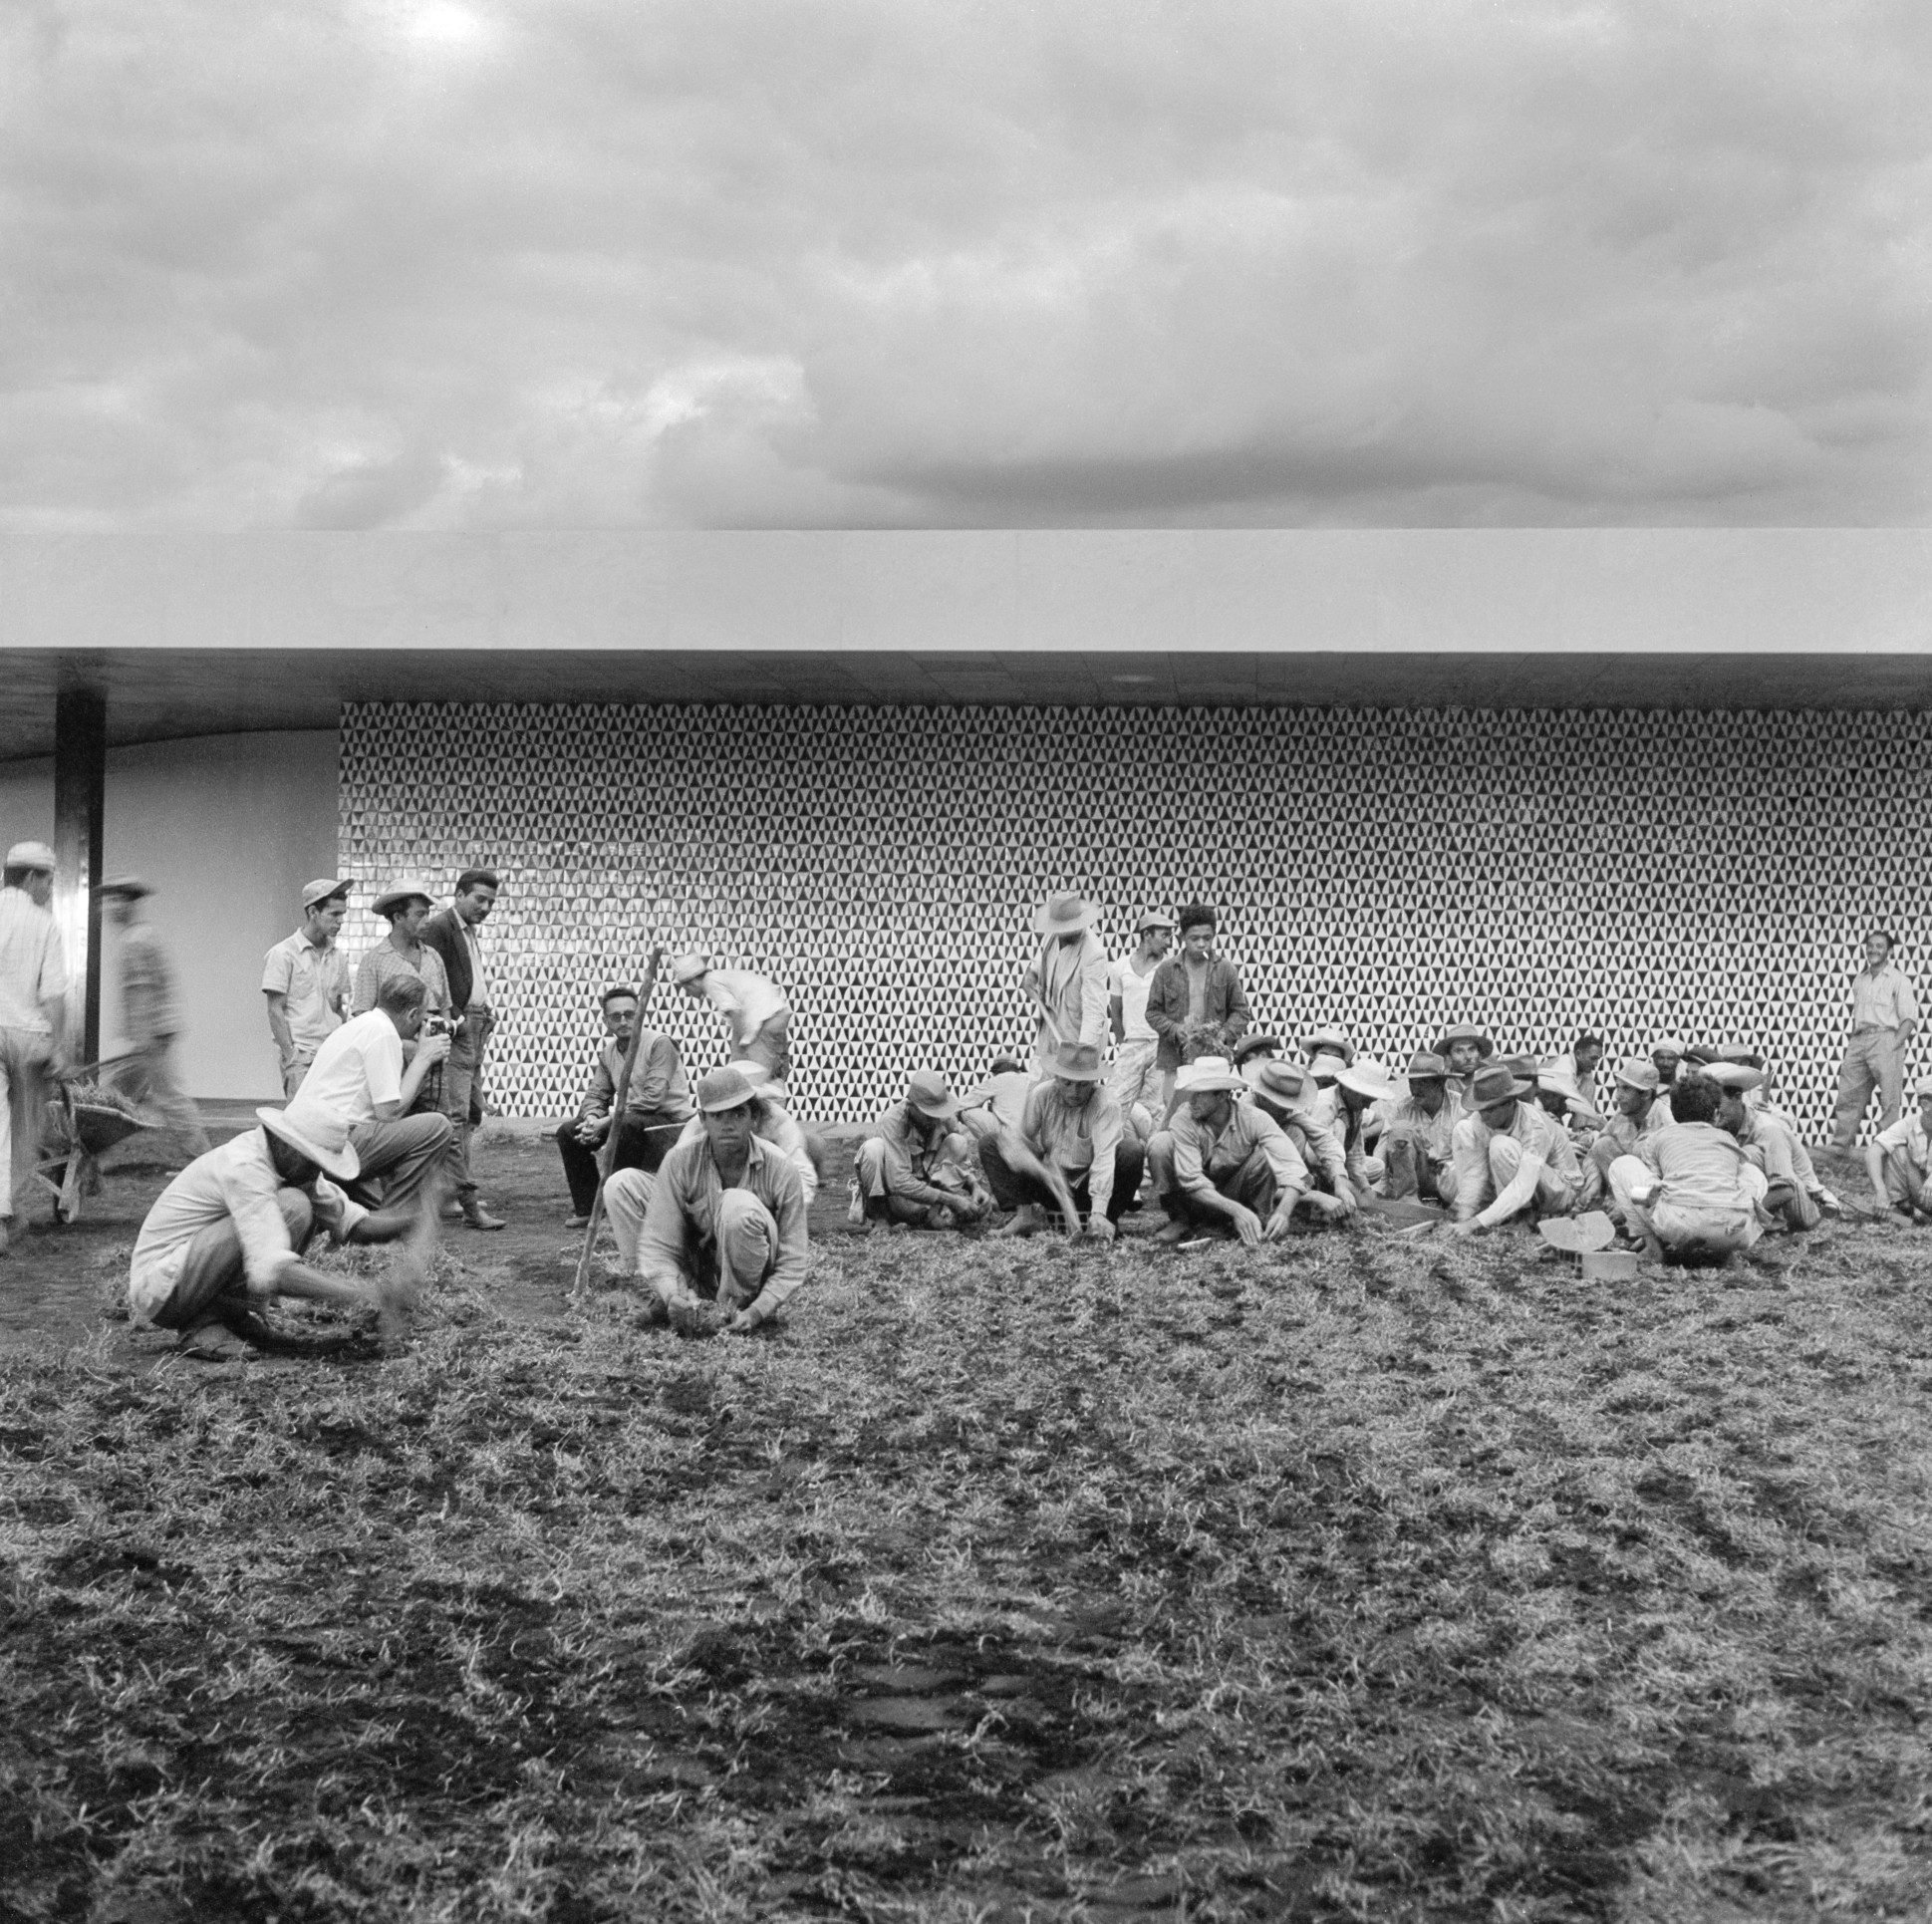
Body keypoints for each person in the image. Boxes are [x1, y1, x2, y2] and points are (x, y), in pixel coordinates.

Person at [126, 1103, 429, 1361]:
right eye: (313, 1162)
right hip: (162, 1286)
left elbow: (356, 1225)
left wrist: (418, 1216)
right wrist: (366, 1292)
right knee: (293, 1206)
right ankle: (202, 1323)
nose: (316, 1173)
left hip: (189, 1273)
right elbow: (272, 1270)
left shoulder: (294, 1167)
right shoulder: (244, 1166)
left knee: (298, 1203)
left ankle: (233, 1316)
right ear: (286, 1144)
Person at [616, 1065, 808, 1334]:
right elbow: (659, 1241)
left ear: (754, 1118)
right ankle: (673, 1302)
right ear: (703, 1120)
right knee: (621, 1185)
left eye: (738, 1113)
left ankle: (732, 1309)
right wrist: (672, 1293)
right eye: (718, 1116)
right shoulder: (681, 1160)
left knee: (737, 1205)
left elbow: (794, 1260)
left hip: (754, 1279)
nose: (728, 1125)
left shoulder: (780, 1167)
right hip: (700, 1271)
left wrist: (758, 1310)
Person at [284, 973, 453, 1212]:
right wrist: (424, 1058)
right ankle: (394, 1217)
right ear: (412, 1014)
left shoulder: (359, 1025)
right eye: (422, 1017)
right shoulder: (383, 1032)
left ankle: (377, 1217)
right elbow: (389, 1112)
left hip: (308, 1143)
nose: (422, 1026)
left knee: (370, 1211)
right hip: (335, 1143)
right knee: (438, 1126)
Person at [557, 983, 692, 1227]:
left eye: (630, 1014)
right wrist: (590, 1118)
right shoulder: (609, 1052)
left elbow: (653, 1098)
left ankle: (619, 1206)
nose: (623, 1021)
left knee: (625, 1125)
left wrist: (606, 1121)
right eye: (615, 1016)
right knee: (569, 1132)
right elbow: (596, 1094)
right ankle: (590, 1208)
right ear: (606, 1020)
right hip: (630, 1120)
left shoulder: (660, 1044)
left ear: (640, 1014)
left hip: (669, 1126)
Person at [979, 1040, 1141, 1242]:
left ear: (1093, 1081)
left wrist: (1098, 1209)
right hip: (1052, 1184)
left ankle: (1103, 1220)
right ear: (1056, 1078)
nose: (1074, 1092)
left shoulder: (1107, 1104)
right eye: (1067, 1083)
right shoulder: (1042, 1094)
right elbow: (1017, 1138)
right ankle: (1024, 1216)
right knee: (992, 1142)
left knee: (1131, 1151)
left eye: (1082, 1085)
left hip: (1088, 1186)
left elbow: (1104, 1159)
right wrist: (1034, 1165)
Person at [1145, 1056, 1317, 1244]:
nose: (1192, 1100)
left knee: (1268, 1153)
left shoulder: (1254, 1118)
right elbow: (1192, 1181)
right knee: (1160, 1143)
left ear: (1221, 1096)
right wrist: (1237, 1211)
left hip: (1236, 1193)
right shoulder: (1184, 1117)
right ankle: (1181, 1220)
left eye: (1200, 1094)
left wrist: (1283, 1212)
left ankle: (1254, 1217)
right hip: (1194, 1199)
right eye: (1192, 1093)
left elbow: (1294, 1168)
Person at [100, 877, 209, 1163]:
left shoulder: (135, 940)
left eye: (115, 900)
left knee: (168, 1097)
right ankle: (98, 1157)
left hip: (150, 1034)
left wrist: (142, 1039)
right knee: (117, 1095)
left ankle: (203, 1159)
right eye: (108, 900)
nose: (109, 907)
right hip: (151, 1032)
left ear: (129, 904)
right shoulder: (141, 935)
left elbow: (142, 991)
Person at [1605, 1073, 1769, 1262]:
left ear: (1673, 1112)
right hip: (1735, 1228)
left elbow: (1651, 1189)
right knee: (1753, 1172)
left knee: (1622, 1165)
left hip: (1677, 1224)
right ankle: (1726, 1253)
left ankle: (1652, 1247)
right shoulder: (1727, 1138)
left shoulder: (1659, 1138)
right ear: (1716, 1114)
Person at [420, 869, 504, 1231]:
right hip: (457, 1029)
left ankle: (454, 1192)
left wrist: (483, 1012)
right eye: (479, 899)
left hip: (475, 1025)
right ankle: (458, 1196)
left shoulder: (467, 931)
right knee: (454, 1115)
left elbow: (467, 980)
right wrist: (455, 1019)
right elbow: (433, 984)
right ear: (458, 894)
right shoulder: (439, 928)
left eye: (490, 902)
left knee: (470, 1113)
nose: (485, 907)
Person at [0, 841, 65, 1256]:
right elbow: (54, 994)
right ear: (29, 877)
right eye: (48, 881)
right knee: (26, 1133)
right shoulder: (43, 923)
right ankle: (4, 1212)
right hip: (26, 1036)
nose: (50, 890)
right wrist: (58, 1047)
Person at [1449, 1063, 1583, 1237]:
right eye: (1481, 1109)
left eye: (1489, 1109)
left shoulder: (1534, 1126)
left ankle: (1524, 1218)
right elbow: (1475, 1172)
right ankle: (1503, 1215)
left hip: (1562, 1190)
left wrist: (1475, 1223)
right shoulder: (1479, 1119)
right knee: (1463, 1128)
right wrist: (1464, 1217)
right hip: (1528, 1186)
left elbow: (1523, 1185)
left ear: (1510, 1103)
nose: (1483, 1116)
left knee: (1500, 1146)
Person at [852, 1071, 993, 1231]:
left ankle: (934, 1215)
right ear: (911, 1106)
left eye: (937, 1113)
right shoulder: (893, 1121)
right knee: (873, 1148)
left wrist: (974, 1186)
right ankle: (881, 1219)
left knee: (957, 1141)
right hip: (896, 1197)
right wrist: (953, 1200)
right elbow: (899, 1183)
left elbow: (959, 1162)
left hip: (929, 1196)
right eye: (929, 1114)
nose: (935, 1119)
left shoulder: (945, 1117)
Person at [1146, 904, 1250, 1112]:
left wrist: (1223, 1035)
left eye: (1207, 938)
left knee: (1211, 1113)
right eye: (1195, 938)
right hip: (1175, 1058)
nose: (1202, 944)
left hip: (1214, 1060)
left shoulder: (1225, 969)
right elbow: (1152, 1012)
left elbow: (1241, 1012)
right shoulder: (1167, 970)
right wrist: (1176, 1030)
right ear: (1183, 937)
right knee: (1176, 1113)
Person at [262, 879, 354, 1097]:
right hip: (302, 1057)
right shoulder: (283, 954)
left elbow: (338, 1007)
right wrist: (291, 1056)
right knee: (301, 1125)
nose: (340, 921)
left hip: (332, 1056)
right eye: (334, 914)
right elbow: (275, 1009)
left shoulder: (338, 957)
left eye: (343, 914)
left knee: (333, 1123)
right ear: (313, 912)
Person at [1830, 931, 1919, 1155]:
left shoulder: (1899, 980)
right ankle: (1840, 1146)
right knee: (1848, 1094)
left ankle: (1884, 1150)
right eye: (1870, 945)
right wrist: (1854, 1039)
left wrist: (1893, 1045)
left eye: (1880, 946)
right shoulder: (1860, 979)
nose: (1874, 950)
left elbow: (1908, 1019)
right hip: (1860, 1039)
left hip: (1885, 1038)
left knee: (1889, 1099)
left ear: (1890, 951)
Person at [1707, 1064, 1822, 1232]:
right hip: (1768, 1200)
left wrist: (1740, 1218)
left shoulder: (1767, 1128)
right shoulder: (1723, 1124)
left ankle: (1768, 1223)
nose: (1714, 1112)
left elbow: (1786, 1190)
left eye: (1718, 1104)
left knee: (1749, 1156)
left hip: (1802, 1207)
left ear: (1737, 1098)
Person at [1245, 1060, 1356, 1220]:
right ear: (1264, 1097)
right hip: (1241, 1194)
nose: (1288, 1109)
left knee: (1296, 1130)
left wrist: (1340, 1182)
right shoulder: (1247, 1116)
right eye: (1282, 1104)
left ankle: (1286, 1205)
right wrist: (1315, 1196)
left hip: (1279, 1186)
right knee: (1291, 1135)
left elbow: (1324, 1138)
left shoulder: (1285, 1113)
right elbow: (1253, 1186)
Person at [1022, 893, 1110, 1080]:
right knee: (1037, 1089)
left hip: (1076, 1037)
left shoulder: (1094, 954)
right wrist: (1031, 977)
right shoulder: (1051, 937)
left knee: (1071, 1096)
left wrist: (1079, 1060)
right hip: (1050, 1029)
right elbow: (1037, 967)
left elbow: (1094, 1013)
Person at [670, 954, 793, 1079]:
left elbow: (734, 1012)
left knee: (756, 1077)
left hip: (764, 1021)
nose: (688, 994)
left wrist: (742, 1047)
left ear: (693, 983)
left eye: (686, 989)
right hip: (778, 1015)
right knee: (773, 1074)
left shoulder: (710, 982)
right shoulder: (722, 976)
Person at [1108, 909, 1173, 1113]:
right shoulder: (1120, 967)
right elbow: (1115, 1010)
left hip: (1161, 1045)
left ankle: (1152, 1145)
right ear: (1147, 935)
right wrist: (1123, 1042)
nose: (1169, 941)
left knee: (1156, 1108)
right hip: (1132, 1044)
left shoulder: (1170, 967)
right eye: (1164, 935)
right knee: (1114, 1103)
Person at [1374, 1051, 1459, 1205]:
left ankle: (1460, 1206)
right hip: (1416, 1177)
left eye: (1423, 1082)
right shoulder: (1403, 1108)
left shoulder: (1460, 1107)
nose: (1415, 1088)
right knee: (1400, 1129)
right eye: (1412, 1082)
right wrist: (1378, 1192)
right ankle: (1408, 1200)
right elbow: (1382, 1147)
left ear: (1439, 1083)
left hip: (1451, 1178)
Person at [1866, 1075, 1932, 1224]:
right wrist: (1880, 1191)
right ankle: (1906, 1210)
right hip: (1923, 1195)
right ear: (1926, 1104)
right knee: (1898, 1152)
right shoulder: (1910, 1123)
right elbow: (1874, 1151)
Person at [1431, 1024, 1495, 1112]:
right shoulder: (1443, 1086)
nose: (1468, 1057)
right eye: (1459, 1051)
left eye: (1471, 1050)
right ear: (1449, 1057)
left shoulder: (1492, 1080)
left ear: (1480, 1055)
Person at [1553, 1032, 1605, 1115]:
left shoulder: (1584, 1072)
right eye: (1593, 1058)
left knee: (1589, 1084)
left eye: (1597, 1059)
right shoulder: (1565, 1067)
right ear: (1578, 1054)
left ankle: (1584, 1128)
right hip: (1535, 1111)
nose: (1596, 1064)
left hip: (1552, 1111)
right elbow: (1571, 1103)